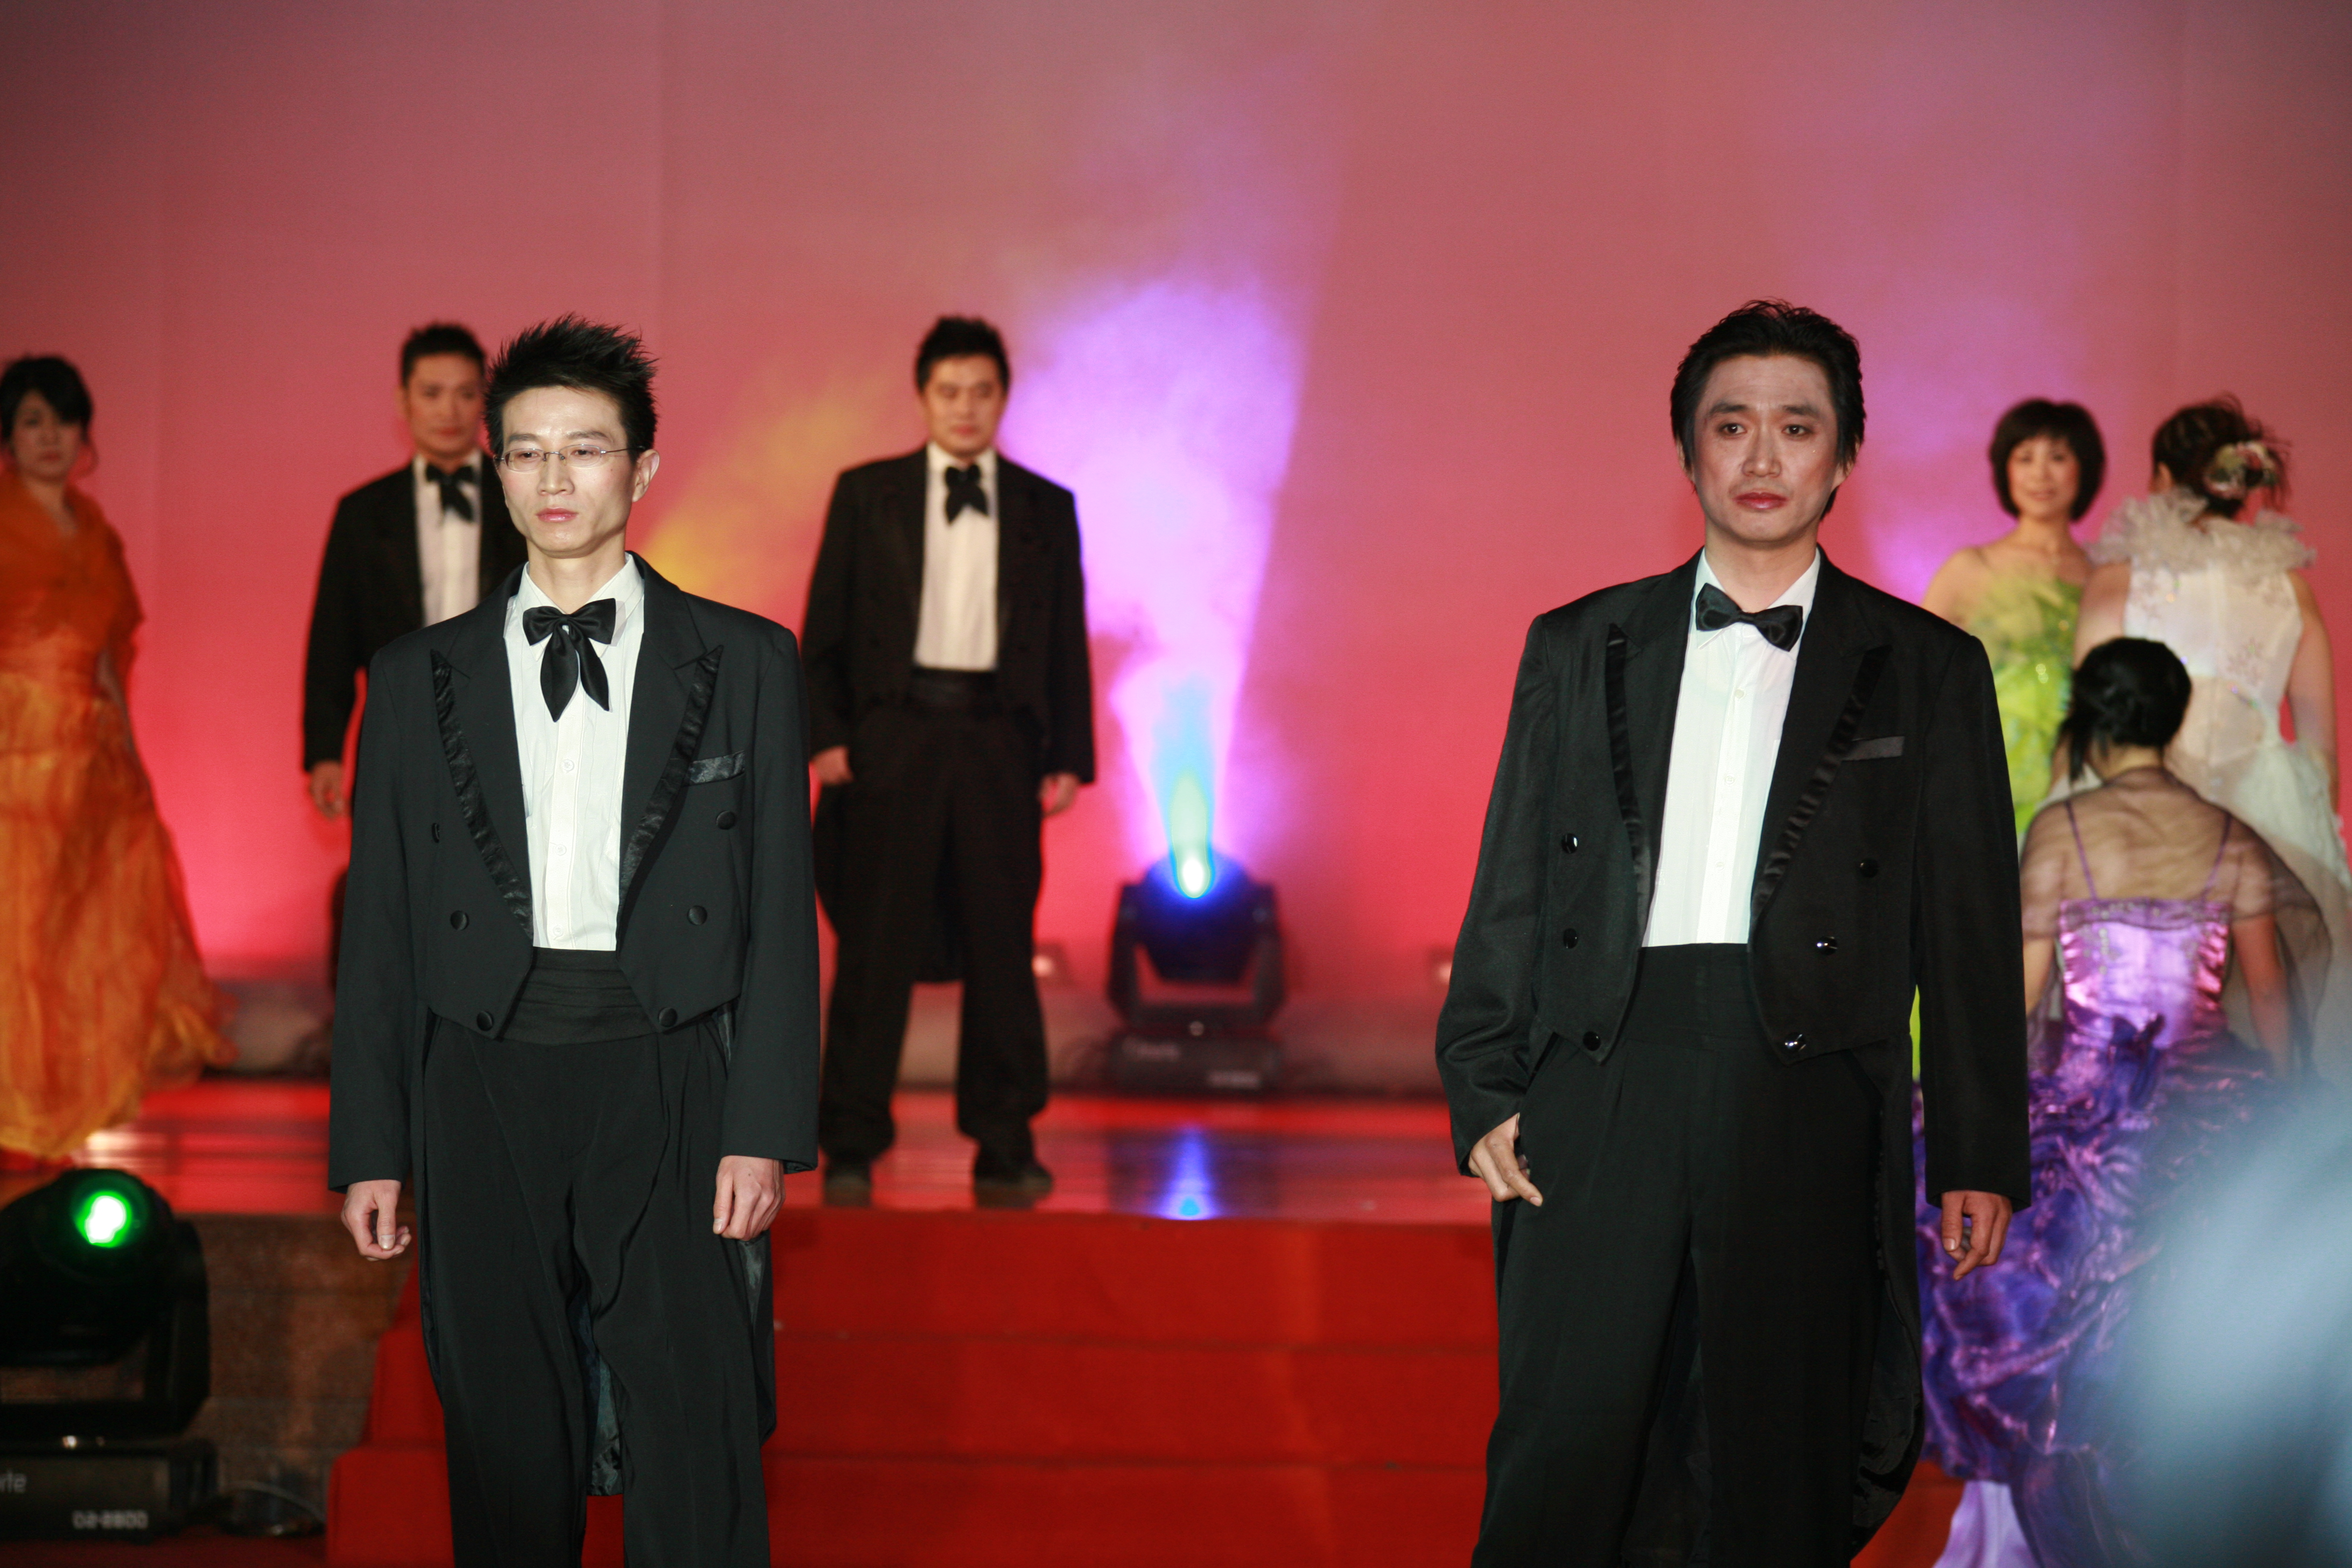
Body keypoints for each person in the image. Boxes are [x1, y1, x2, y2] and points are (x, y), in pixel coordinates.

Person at [1437, 299, 2031, 1565]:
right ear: (1688, 449)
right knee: (1566, 1447)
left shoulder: (1925, 665)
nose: (1763, 458)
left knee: (1778, 1458)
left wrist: (1978, 1147)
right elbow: (1514, 879)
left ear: (1845, 453)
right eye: (1733, 425)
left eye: (1797, 427)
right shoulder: (1578, 644)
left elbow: (1969, 925)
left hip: (1807, 1087)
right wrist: (1482, 1082)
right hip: (1602, 1074)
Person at [328, 318, 820, 1566]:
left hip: (672, 1064)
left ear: (641, 469)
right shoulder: (414, 676)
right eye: (527, 451)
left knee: (696, 1425)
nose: (555, 478)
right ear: (495, 469)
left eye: (586, 450)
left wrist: (763, 1127)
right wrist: (373, 1143)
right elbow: (380, 928)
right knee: (503, 1430)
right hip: (479, 1072)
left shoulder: (747, 661)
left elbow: (778, 913)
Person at [1917, 637, 2320, 1568]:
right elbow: (2269, 999)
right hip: (2208, 1112)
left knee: (2046, 1329)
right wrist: (2288, 1117)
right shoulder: (2228, 834)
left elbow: (2019, 1001)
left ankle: (2055, 1526)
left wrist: (1984, 1106)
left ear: (2091, 723)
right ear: (2173, 721)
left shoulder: (2061, 831)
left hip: (2082, 1110)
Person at [802, 316, 1094, 1201]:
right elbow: (824, 628)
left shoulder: (1045, 505)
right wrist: (826, 736)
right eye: (949, 391)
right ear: (923, 396)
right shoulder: (867, 493)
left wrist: (1068, 753)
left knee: (1004, 948)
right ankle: (850, 1142)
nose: (965, 407)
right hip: (894, 736)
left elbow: (1064, 640)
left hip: (999, 740)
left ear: (1003, 398)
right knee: (874, 947)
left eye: (981, 391)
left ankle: (1005, 1143)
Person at [2074, 397, 2352, 1083]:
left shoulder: (2121, 577)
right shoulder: (2291, 588)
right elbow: (2320, 746)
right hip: (2274, 813)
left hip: (2148, 809)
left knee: (2147, 1021)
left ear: (2164, 478)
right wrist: (2314, 837)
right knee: (2273, 1009)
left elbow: (2094, 719)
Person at [0, 355, 232, 1160]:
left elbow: (108, 659)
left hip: (91, 759)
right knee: (18, 934)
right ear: (9, 436)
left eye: (64, 421)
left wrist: (132, 758)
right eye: (33, 421)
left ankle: (55, 1118)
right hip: (15, 759)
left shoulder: (95, 530)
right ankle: (16, 1116)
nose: (50, 437)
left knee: (82, 941)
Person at [302, 323, 529, 821]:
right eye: (432, 394)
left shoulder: (525, 500)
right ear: (403, 401)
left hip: (510, 731)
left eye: (466, 394)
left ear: (487, 403)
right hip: (397, 730)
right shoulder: (362, 513)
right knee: (393, 864)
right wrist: (324, 752)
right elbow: (333, 639)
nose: (449, 411)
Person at [1922, 400, 2106, 835]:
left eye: (2057, 457)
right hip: (1985, 765)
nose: (2040, 474)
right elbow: (1919, 673)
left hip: (2081, 768)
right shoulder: (1971, 568)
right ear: (2005, 470)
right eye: (2025, 458)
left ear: (2084, 469)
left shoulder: (2104, 577)